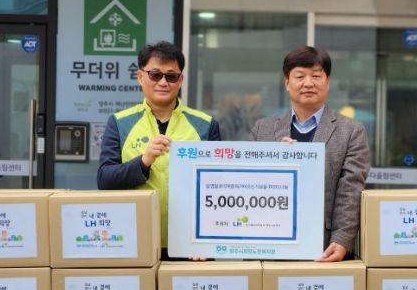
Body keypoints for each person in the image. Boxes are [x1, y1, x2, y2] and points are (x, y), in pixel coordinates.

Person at [250, 46, 370, 262]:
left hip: (325, 247)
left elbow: (350, 191)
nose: (308, 83)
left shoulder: (351, 131)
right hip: (269, 244)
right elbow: (247, 183)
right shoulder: (262, 129)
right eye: (299, 76)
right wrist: (274, 163)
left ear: (327, 82)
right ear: (287, 83)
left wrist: (342, 239)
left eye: (316, 76)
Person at [97, 41, 221, 252]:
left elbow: (217, 188)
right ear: (140, 76)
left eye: (171, 76)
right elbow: (105, 180)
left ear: (180, 80)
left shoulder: (205, 125)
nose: (163, 82)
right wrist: (143, 162)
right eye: (155, 75)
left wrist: (206, 242)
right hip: (133, 240)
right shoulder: (119, 123)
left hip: (190, 244)